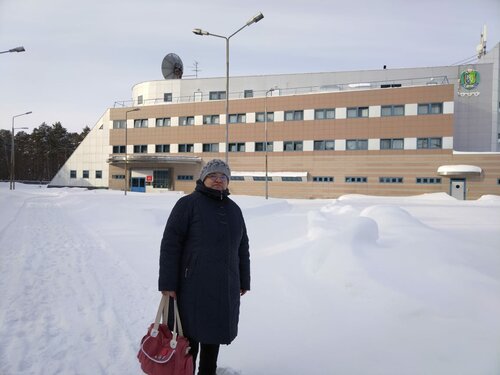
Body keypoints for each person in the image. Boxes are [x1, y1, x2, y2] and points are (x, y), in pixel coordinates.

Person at [158, 159, 250, 375]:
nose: (218, 180)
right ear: (203, 178)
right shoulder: (187, 204)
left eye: (223, 177)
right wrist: (168, 283)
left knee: (214, 334)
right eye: (213, 176)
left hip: (224, 285)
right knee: (187, 338)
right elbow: (170, 244)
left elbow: (242, 247)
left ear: (227, 181)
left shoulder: (234, 210)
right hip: (191, 285)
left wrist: (244, 280)